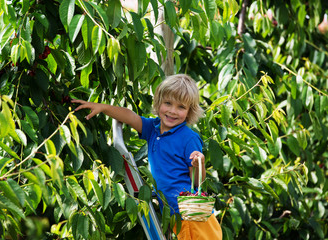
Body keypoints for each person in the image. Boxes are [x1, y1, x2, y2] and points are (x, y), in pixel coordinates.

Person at [72, 74, 222, 240]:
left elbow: (197, 183)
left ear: (189, 112)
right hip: (175, 214)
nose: (172, 111)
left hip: (191, 215)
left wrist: (198, 164)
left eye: (181, 107)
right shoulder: (153, 128)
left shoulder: (189, 138)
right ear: (158, 103)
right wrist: (102, 107)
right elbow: (130, 116)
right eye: (168, 103)